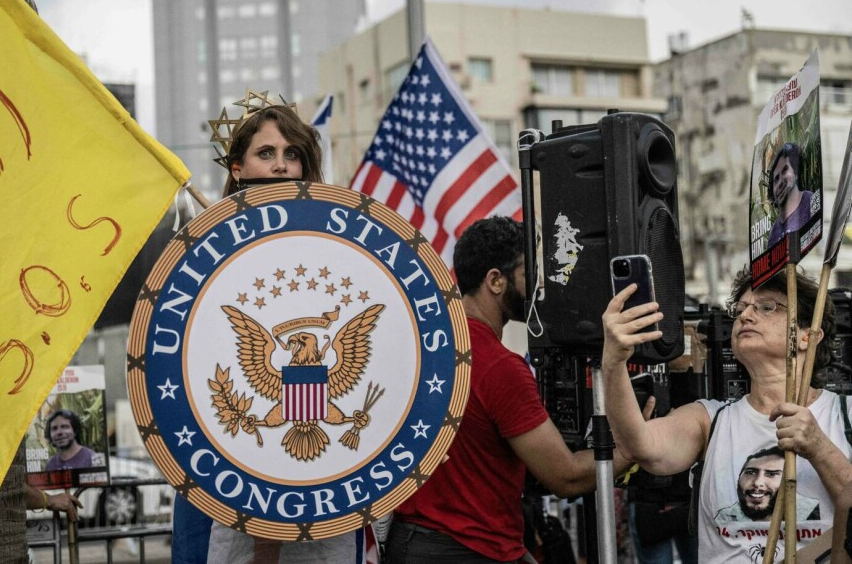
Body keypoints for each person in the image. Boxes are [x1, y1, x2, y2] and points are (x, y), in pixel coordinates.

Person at [173, 96, 375, 563]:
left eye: (292, 154)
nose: (281, 166)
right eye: (266, 154)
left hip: (327, 494)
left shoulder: (341, 252)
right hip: (231, 487)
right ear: (238, 166)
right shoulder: (204, 254)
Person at [386, 216, 637, 564]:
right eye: (527, 273)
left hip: (412, 542)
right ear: (495, 281)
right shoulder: (500, 367)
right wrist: (636, 445)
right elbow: (566, 476)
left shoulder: (421, 346)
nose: (537, 286)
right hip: (467, 549)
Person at [602, 265, 851, 562]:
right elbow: (641, 446)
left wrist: (819, 447)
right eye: (741, 308)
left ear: (807, 337)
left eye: (767, 307)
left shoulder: (845, 415)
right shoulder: (710, 420)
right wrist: (614, 362)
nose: (745, 315)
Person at [712, 446, 819, 524]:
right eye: (750, 472)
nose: (758, 483)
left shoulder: (812, 512)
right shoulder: (726, 517)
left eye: (771, 474)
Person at [766, 142, 814, 245]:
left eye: (784, 170)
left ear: (796, 173)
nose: (779, 183)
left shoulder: (811, 201)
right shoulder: (773, 234)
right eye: (776, 179)